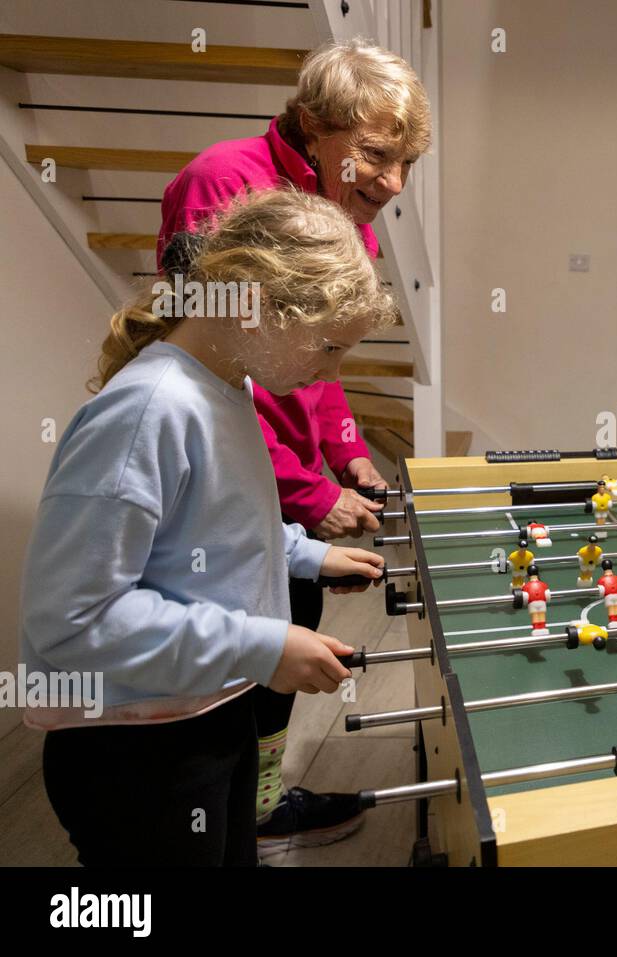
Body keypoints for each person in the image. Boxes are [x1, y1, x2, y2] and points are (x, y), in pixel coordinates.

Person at [21, 190, 394, 866]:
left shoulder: (229, 385)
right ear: (254, 305)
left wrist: (307, 555)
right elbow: (73, 620)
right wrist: (261, 642)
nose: (332, 372)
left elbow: (214, 527)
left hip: (210, 710)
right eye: (330, 346)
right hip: (135, 752)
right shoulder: (149, 410)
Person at [157, 38, 432, 854]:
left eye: (407, 162)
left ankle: (259, 804)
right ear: (313, 123)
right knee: (233, 668)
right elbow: (221, 373)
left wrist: (344, 450)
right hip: (226, 474)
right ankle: (224, 815)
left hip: (281, 481)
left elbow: (316, 358)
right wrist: (307, 494)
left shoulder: (342, 206)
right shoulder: (222, 182)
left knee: (294, 620)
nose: (393, 185)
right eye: (378, 157)